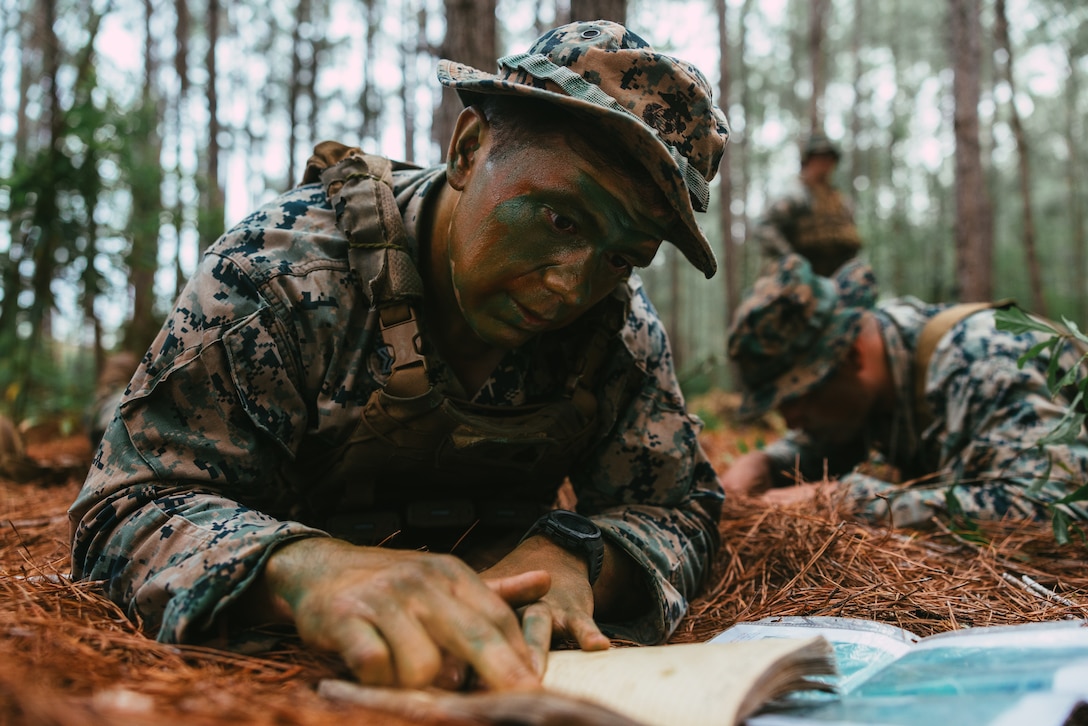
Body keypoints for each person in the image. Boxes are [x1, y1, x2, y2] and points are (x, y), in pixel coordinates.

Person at [69, 20, 729, 693]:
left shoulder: (614, 327)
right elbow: (126, 507)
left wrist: (581, 557)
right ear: (470, 149)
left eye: (620, 257)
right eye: (560, 220)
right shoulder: (282, 275)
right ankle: (109, 400)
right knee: (116, 425)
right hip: (228, 433)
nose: (571, 285)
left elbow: (679, 506)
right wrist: (308, 570)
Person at [722, 253, 1088, 528]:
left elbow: (1060, 509)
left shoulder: (986, 363)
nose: (790, 420)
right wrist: (766, 463)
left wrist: (852, 501)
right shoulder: (874, 379)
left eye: (798, 397)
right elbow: (832, 436)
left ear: (850, 354)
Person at [753, 131, 862, 277]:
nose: (826, 164)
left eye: (829, 159)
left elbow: (850, 241)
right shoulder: (796, 196)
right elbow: (764, 226)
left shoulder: (842, 203)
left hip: (836, 278)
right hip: (800, 275)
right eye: (820, 158)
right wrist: (789, 257)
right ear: (808, 161)